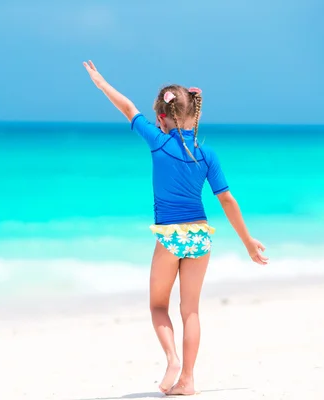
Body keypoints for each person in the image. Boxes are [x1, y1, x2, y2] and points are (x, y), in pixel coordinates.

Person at [82, 60, 269, 396]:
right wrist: (248, 242)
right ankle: (189, 380)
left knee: (158, 306)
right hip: (200, 236)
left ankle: (172, 361)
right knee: (191, 310)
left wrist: (101, 83)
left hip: (170, 236)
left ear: (163, 118)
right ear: (194, 116)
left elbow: (127, 107)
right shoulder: (206, 154)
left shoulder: (157, 140)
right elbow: (227, 200)